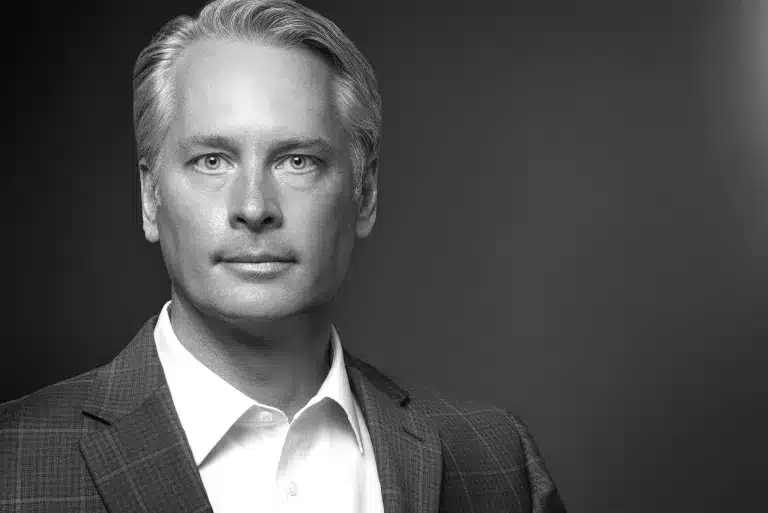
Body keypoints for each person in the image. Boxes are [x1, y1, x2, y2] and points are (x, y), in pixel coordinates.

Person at [0, 0, 566, 511]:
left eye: (297, 161)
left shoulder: (496, 462)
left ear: (363, 195)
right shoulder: (14, 462)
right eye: (212, 160)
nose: (253, 207)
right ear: (151, 198)